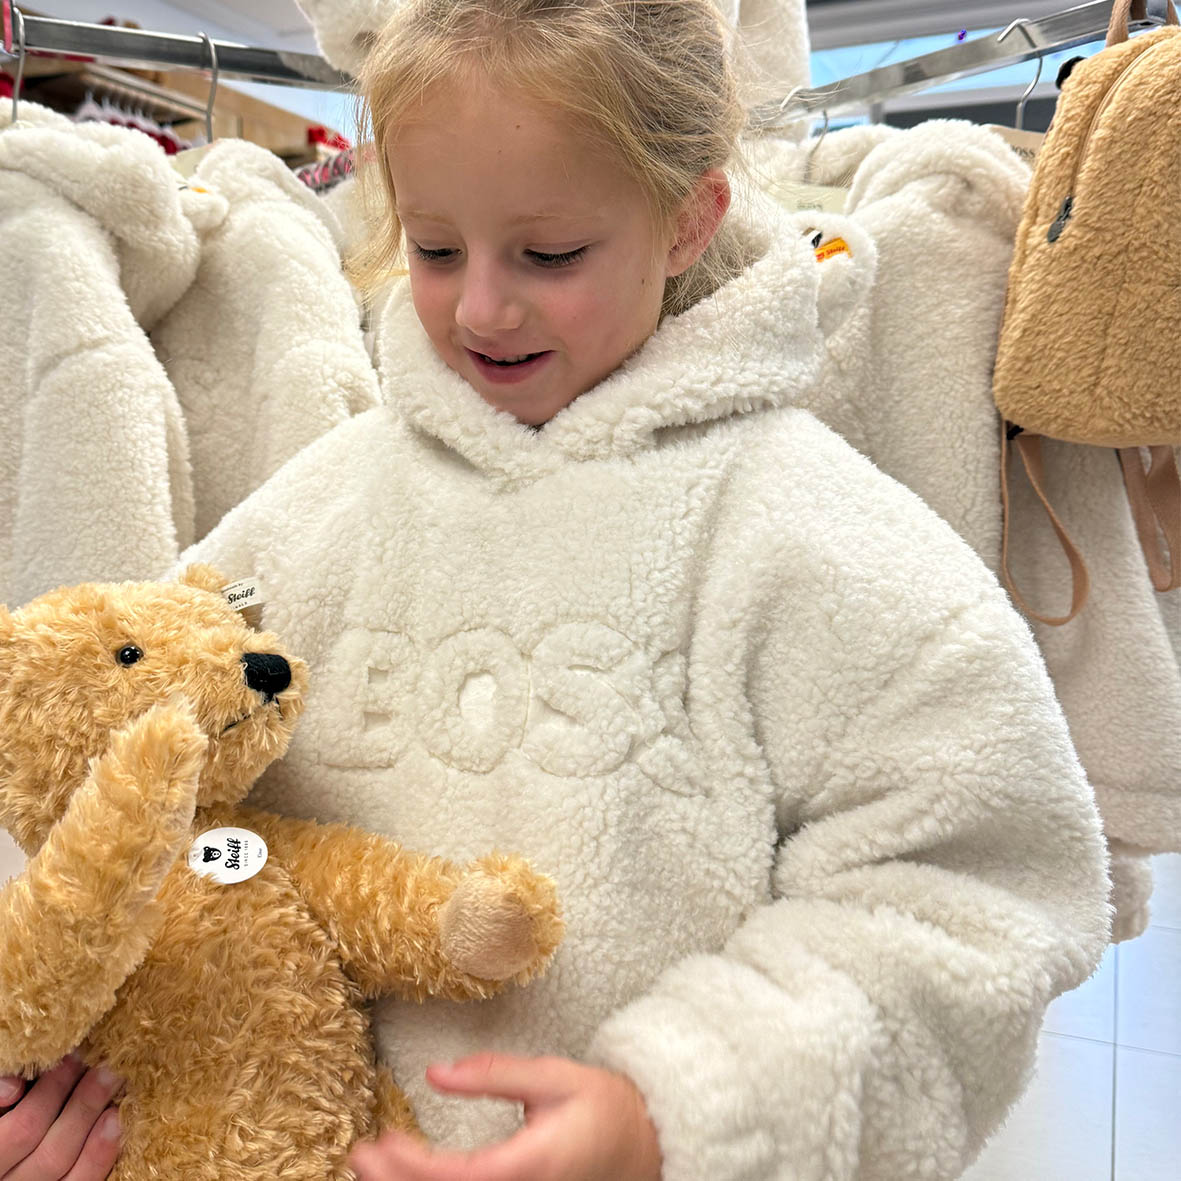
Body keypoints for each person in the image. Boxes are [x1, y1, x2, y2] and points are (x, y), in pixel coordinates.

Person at [1, 1, 1111, 1178]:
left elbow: (974, 898)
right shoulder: (310, 513)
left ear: (688, 218)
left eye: (548, 255)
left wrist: (677, 1112)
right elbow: (117, 765)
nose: (480, 307)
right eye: (434, 249)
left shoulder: (824, 544)